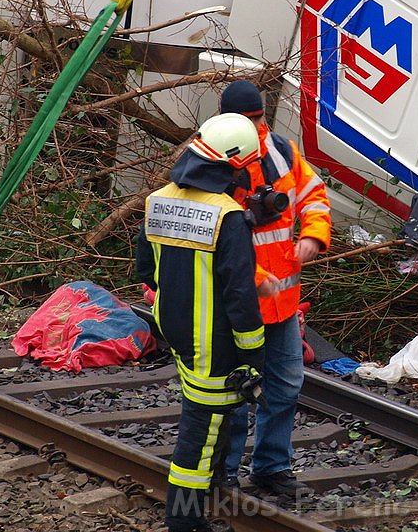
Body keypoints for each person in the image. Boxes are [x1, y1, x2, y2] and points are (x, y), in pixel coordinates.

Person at [135, 113, 266, 532]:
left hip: (177, 331)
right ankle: (183, 522)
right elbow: (240, 294)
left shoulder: (158, 200)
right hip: (216, 344)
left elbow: (147, 272)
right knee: (201, 435)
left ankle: (196, 514)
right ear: (231, 164)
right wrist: (252, 352)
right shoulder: (227, 217)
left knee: (207, 425)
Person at [219, 80, 332, 497]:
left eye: (258, 119)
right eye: (247, 121)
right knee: (231, 393)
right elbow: (208, 240)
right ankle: (224, 473)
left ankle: (270, 468)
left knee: (284, 387)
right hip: (236, 306)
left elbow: (314, 195)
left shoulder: (281, 151)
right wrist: (252, 282)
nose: (255, 127)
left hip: (281, 306)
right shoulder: (212, 161)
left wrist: (314, 235)